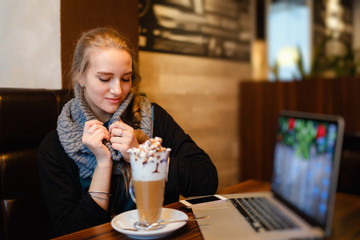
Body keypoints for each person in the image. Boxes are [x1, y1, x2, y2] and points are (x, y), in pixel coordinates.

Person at [37, 27, 218, 238]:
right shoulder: (54, 146)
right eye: (105, 79)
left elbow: (207, 182)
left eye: (126, 78)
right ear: (80, 76)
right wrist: (103, 164)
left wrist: (144, 155)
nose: (118, 90)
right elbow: (71, 232)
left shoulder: (154, 117)